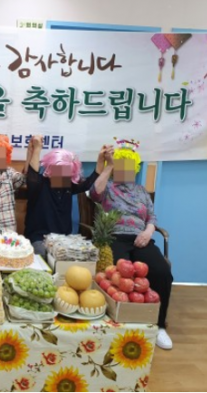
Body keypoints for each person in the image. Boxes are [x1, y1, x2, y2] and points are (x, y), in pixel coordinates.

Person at [90, 138, 173, 350]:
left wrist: (148, 231)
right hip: (115, 237)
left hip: (141, 238)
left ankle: (158, 325)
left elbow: (152, 217)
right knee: (120, 276)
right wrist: (109, 166)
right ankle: (120, 321)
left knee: (162, 271)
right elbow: (94, 193)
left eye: (129, 165)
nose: (125, 169)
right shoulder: (108, 187)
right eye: (121, 165)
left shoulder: (141, 191)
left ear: (135, 168)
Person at [24, 136, 112, 256]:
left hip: (63, 239)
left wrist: (101, 159)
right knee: (42, 255)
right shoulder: (39, 184)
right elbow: (32, 176)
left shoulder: (68, 186)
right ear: (50, 167)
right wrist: (37, 149)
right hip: (39, 238)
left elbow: (89, 182)